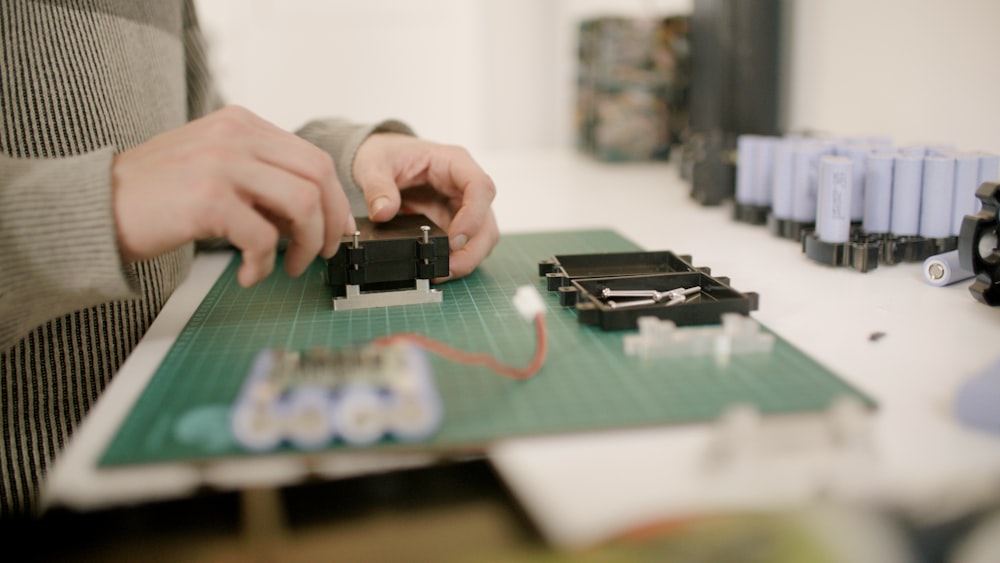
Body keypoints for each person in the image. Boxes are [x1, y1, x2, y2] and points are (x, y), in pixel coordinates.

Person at [0, 0, 499, 517]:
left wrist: (349, 163)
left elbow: (197, 154)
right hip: (45, 486)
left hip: (179, 401)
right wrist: (86, 206)